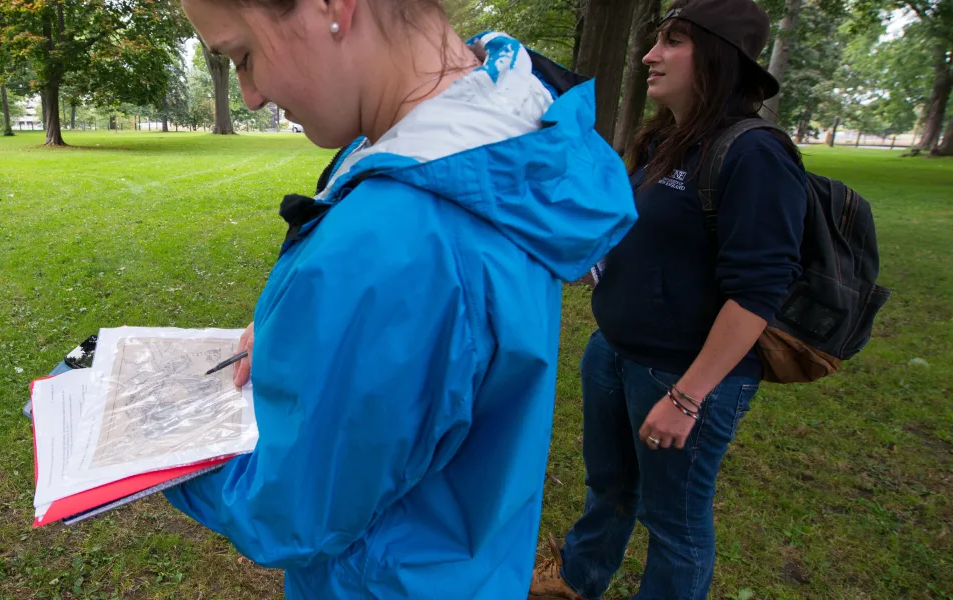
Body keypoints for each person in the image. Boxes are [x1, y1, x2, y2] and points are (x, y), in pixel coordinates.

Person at [163, 0, 636, 596]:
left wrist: (152, 452)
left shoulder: (398, 237)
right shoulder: (492, 137)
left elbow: (295, 510)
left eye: (244, 56)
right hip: (469, 569)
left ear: (331, 9)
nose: (250, 94)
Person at [529, 0, 806, 598]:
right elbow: (640, 242)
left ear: (715, 58)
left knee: (674, 522)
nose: (650, 55)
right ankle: (575, 583)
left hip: (682, 372)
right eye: (656, 41)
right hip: (614, 352)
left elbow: (759, 292)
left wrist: (687, 398)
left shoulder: (756, 152)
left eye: (673, 41)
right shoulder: (664, 142)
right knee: (609, 488)